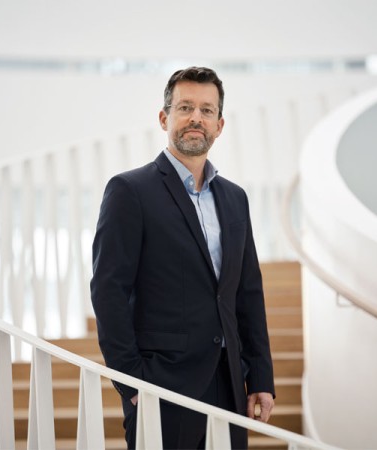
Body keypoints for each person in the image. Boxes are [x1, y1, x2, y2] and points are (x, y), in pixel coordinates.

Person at [90, 66, 275, 449]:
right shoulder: (130, 191)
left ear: (219, 125)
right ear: (164, 118)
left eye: (207, 110)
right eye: (185, 107)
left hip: (228, 382)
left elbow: (247, 293)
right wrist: (131, 381)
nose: (196, 118)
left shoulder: (235, 198)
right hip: (161, 384)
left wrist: (260, 377)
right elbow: (108, 290)